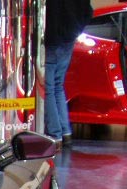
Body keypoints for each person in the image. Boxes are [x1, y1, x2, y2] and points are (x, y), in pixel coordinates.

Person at [44, 0, 93, 145]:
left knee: (49, 89)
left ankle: (55, 134)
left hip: (52, 40)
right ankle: (65, 132)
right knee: (58, 86)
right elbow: (88, 12)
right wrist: (75, 31)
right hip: (68, 39)